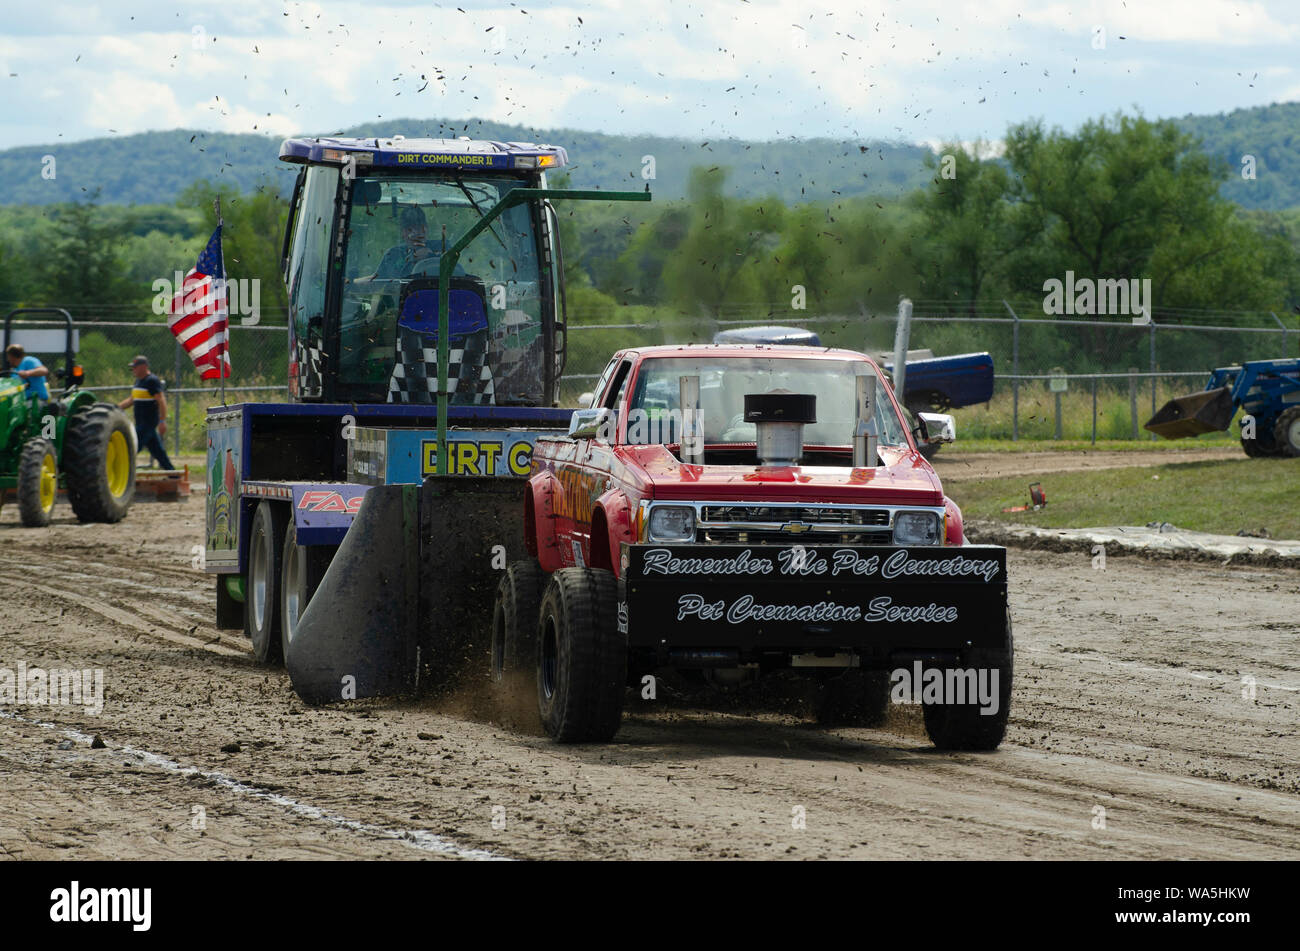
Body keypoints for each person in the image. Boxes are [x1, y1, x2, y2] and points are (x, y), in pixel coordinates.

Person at [118, 355, 175, 471]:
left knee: (131, 448)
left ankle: (122, 473)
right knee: (159, 453)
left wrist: (162, 421)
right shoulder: (138, 381)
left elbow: (161, 400)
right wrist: (116, 407)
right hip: (140, 423)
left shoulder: (152, 381)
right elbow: (132, 399)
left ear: (143, 367)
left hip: (147, 424)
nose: (133, 370)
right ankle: (173, 474)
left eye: (135, 367)